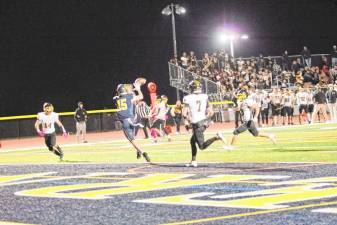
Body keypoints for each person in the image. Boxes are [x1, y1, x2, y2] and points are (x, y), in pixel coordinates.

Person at [183, 80, 227, 167]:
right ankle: (193, 161)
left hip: (197, 123)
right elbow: (211, 111)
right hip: (204, 121)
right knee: (192, 141)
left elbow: (184, 113)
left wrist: (187, 121)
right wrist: (207, 118)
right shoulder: (205, 96)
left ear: (192, 88)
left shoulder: (187, 98)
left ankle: (217, 137)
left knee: (202, 146)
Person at [114, 83, 151, 162]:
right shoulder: (129, 96)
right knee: (133, 138)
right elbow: (141, 97)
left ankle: (143, 152)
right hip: (132, 120)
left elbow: (118, 95)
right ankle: (138, 150)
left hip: (125, 121)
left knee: (132, 140)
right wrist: (138, 89)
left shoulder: (115, 98)